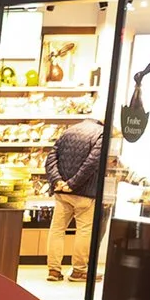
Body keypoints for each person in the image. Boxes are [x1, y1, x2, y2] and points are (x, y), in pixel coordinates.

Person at [40, 116, 104, 282]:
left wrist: (57, 181)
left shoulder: (68, 131)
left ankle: (54, 270)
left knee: (57, 229)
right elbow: (92, 162)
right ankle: (79, 271)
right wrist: (73, 184)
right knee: (84, 230)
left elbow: (51, 158)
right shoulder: (101, 134)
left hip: (62, 192)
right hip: (85, 192)